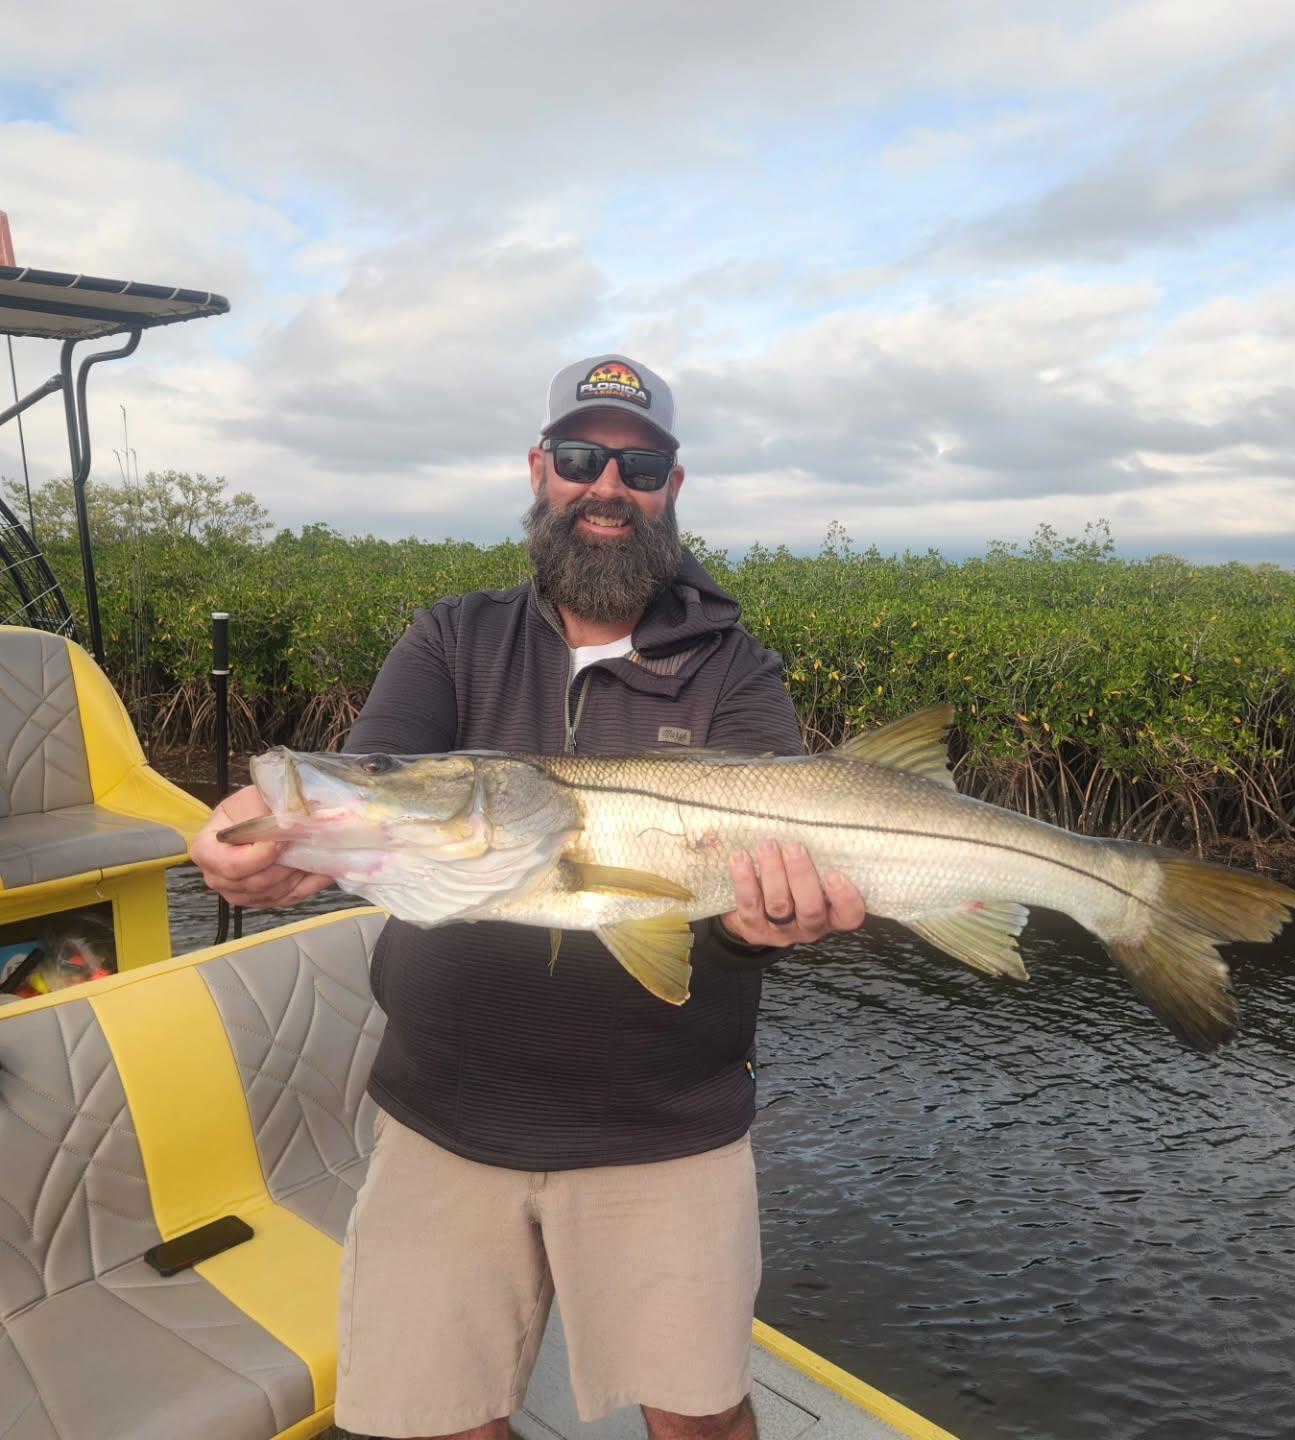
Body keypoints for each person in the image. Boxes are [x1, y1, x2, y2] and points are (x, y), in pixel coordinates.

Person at [190, 354, 866, 1440]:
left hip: (667, 1129)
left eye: (638, 463)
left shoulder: (738, 669)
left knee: (699, 1417)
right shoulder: (449, 637)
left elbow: (743, 920)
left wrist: (760, 932)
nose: (608, 484)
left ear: (674, 489)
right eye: (580, 455)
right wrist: (261, 843)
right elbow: (373, 784)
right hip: (444, 1115)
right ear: (540, 471)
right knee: (433, 1418)